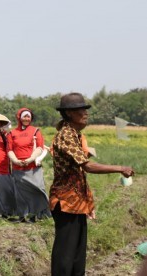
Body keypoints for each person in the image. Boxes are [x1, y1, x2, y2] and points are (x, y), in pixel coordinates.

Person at [50, 92, 135, 276]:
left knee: (77, 257)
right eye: (81, 109)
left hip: (77, 202)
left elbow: (80, 170)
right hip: (65, 202)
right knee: (65, 257)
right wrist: (120, 167)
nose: (85, 113)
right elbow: (87, 166)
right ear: (69, 113)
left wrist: (88, 200)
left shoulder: (75, 134)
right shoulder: (65, 135)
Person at [7, 108, 52, 223]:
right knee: (20, 193)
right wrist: (16, 161)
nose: (26, 119)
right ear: (19, 118)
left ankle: (40, 214)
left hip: (33, 167)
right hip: (18, 167)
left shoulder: (35, 131)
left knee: (37, 189)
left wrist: (30, 159)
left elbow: (40, 147)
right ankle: (22, 215)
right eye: (24, 116)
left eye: (28, 116)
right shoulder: (12, 133)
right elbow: (9, 149)